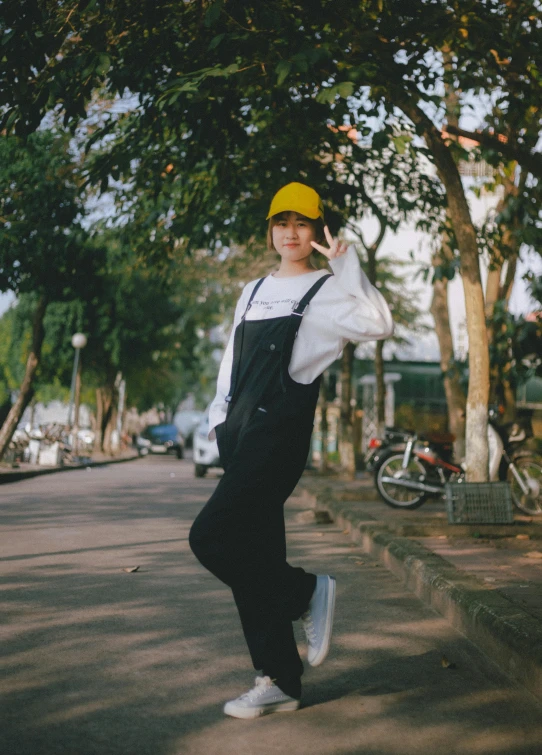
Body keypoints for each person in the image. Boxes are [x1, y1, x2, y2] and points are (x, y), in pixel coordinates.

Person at [189, 182, 394, 719]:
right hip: (238, 435)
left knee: (210, 537)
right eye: (282, 223)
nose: (291, 233)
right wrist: (217, 420)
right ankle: (279, 679)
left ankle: (305, 592)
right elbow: (230, 361)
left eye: (302, 224)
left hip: (278, 437)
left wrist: (348, 268)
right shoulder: (253, 289)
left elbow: (379, 324)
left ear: (317, 230)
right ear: (271, 230)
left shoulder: (326, 292)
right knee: (254, 555)